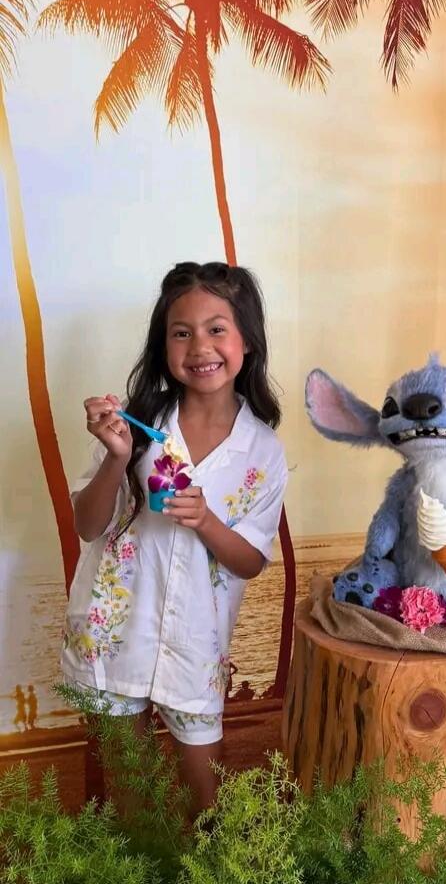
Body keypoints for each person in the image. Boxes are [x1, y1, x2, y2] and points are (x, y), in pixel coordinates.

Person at [62, 262, 288, 819]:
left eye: (217, 329)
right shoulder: (137, 427)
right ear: (163, 345)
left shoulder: (262, 452)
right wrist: (117, 460)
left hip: (195, 642)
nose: (199, 346)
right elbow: (88, 526)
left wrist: (208, 520)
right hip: (115, 633)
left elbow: (250, 561)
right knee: (131, 791)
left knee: (202, 801)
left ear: (247, 341)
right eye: (181, 332)